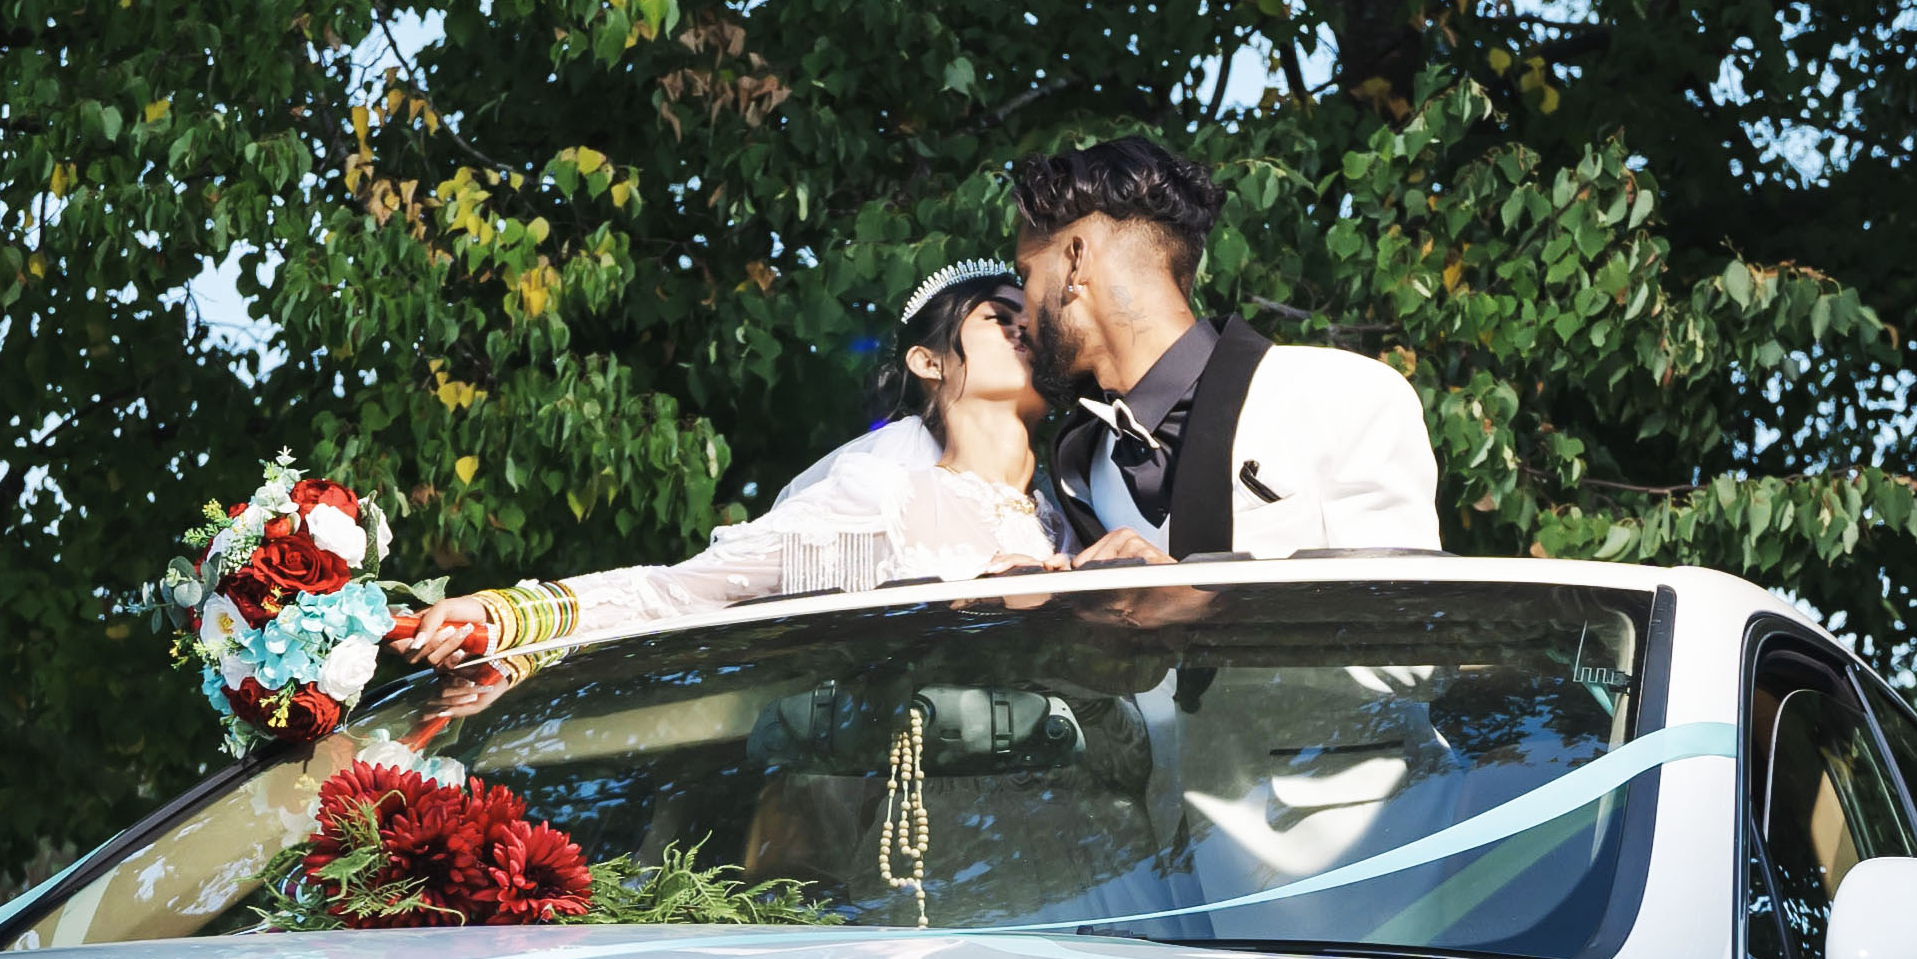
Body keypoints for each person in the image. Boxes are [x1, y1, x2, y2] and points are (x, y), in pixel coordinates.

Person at [396, 263, 1150, 666]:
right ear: (927, 359)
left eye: (1033, 324)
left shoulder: (1081, 511)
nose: (1025, 330)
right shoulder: (881, 503)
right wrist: (507, 614)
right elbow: (681, 593)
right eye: (998, 318)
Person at [1011, 137, 1440, 559]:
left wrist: (1191, 598)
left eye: (1025, 273)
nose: (1023, 312)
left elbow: (1398, 611)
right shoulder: (1085, 463)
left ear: (1076, 261)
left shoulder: (1344, 392)